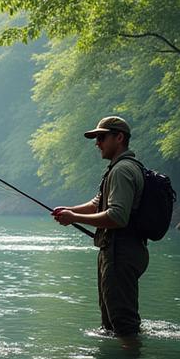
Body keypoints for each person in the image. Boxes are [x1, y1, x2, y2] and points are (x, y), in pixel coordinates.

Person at [52, 116, 148, 338]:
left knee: (123, 325)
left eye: (101, 137)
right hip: (119, 251)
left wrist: (73, 217)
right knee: (111, 324)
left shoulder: (122, 170)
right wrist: (70, 210)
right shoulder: (120, 168)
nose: (97, 143)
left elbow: (117, 216)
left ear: (119, 137)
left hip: (120, 253)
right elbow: (98, 203)